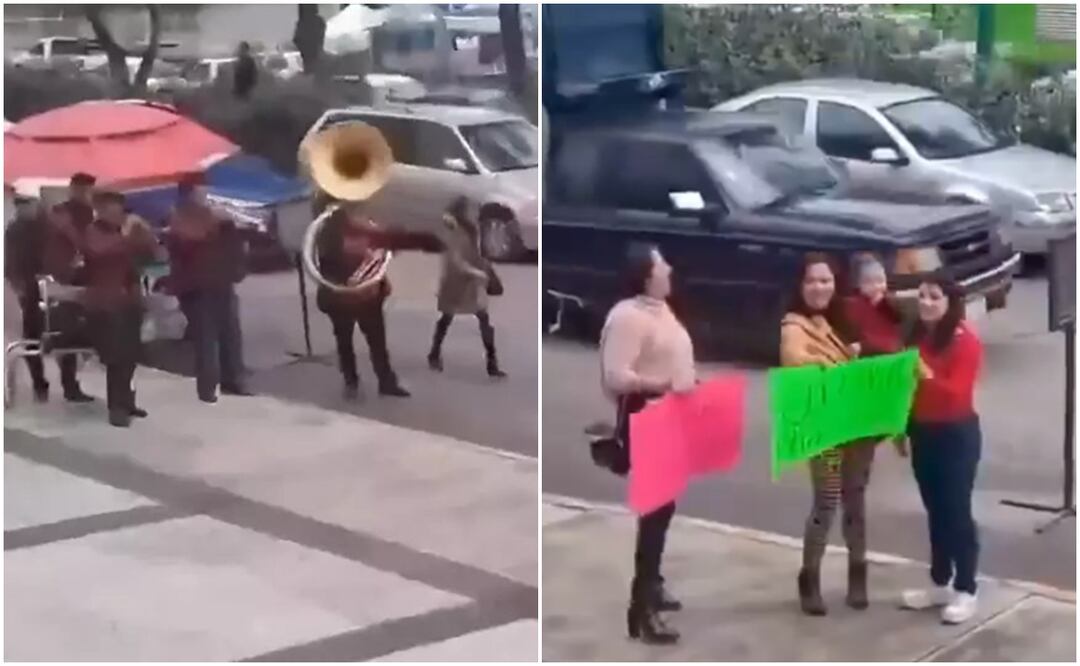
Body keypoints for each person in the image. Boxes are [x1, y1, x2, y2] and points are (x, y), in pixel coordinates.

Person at [601, 243, 695, 645]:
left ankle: (652, 585)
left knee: (665, 506)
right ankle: (641, 611)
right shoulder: (628, 317)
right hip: (648, 418)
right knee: (654, 515)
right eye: (661, 264)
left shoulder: (659, 309)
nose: (669, 268)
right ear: (644, 273)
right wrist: (661, 385)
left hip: (673, 417)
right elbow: (617, 375)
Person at [780, 252, 876, 616]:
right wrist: (821, 362)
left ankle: (858, 575)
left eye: (826, 280)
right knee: (827, 500)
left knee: (856, 499)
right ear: (800, 285)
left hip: (855, 423)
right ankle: (810, 579)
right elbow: (792, 357)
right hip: (821, 425)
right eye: (812, 281)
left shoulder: (846, 317)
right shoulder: (794, 324)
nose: (819, 287)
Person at [900, 271, 984, 625]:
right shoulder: (917, 334)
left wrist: (924, 372)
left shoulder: (966, 341)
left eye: (934, 297)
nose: (926, 303)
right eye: (922, 295)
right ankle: (939, 580)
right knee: (934, 510)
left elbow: (956, 391)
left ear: (950, 304)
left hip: (956, 433)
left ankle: (966, 588)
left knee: (956, 511)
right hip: (923, 432)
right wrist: (900, 430)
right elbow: (904, 388)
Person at [314, 197, 442, 399]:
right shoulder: (329, 232)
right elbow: (326, 264)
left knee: (376, 341)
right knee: (346, 341)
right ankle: (351, 380)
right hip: (341, 297)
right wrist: (344, 281)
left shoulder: (366, 226)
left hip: (369, 296)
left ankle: (385, 381)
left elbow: (384, 248)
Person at [166, 175, 252, 403]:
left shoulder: (219, 217)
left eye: (205, 188)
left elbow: (234, 245)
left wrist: (230, 226)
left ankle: (233, 380)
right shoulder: (180, 216)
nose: (204, 193)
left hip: (222, 282)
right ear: (190, 192)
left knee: (231, 334)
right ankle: (207, 388)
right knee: (206, 338)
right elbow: (184, 244)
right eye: (199, 188)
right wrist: (216, 222)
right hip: (197, 287)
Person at [5, 191, 93, 403]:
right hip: (29, 287)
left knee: (65, 334)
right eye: (20, 204)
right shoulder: (15, 230)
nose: (24, 208)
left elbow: (74, 252)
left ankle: (70, 385)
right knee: (32, 336)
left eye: (27, 203)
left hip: (57, 286)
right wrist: (18, 284)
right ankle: (39, 382)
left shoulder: (53, 228)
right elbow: (9, 261)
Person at [79, 191, 158, 427]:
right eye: (112, 210)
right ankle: (116, 408)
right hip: (105, 304)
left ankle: (127, 400)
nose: (117, 215)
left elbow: (149, 254)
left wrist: (144, 234)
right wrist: (126, 238)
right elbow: (98, 252)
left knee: (131, 356)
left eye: (120, 210)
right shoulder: (93, 232)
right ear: (101, 210)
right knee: (117, 357)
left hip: (129, 301)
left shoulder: (123, 234)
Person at [427, 197, 506, 378]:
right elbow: (456, 261)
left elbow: (476, 254)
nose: (476, 213)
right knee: (448, 318)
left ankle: (491, 363)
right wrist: (477, 273)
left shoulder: (471, 230)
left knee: (481, 320)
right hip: (456, 282)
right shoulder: (456, 232)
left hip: (469, 282)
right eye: (472, 210)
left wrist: (483, 268)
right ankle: (434, 353)